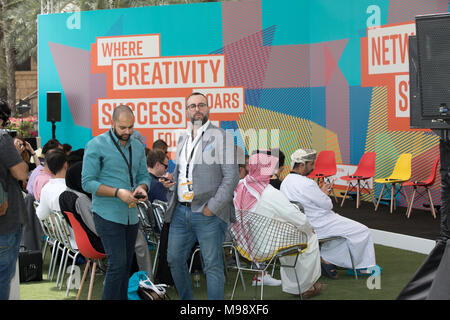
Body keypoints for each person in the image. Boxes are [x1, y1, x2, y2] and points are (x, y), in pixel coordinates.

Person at [165, 92, 239, 300]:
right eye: (192, 106)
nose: (196, 109)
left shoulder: (221, 136)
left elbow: (231, 177)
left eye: (201, 105)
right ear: (187, 111)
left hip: (208, 213)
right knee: (173, 259)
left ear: (208, 108)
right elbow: (184, 172)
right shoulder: (183, 137)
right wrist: (172, 181)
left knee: (212, 266)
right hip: (180, 211)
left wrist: (212, 207)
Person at [82, 104, 150, 300]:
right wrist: (117, 192)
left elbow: (144, 175)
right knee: (118, 264)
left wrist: (142, 188)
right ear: (112, 123)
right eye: (122, 127)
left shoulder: (137, 145)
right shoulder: (96, 145)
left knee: (125, 265)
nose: (127, 132)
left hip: (131, 215)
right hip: (107, 214)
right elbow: (87, 183)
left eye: (130, 127)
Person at [233, 152, 322, 298]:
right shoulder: (269, 193)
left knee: (289, 233)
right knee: (309, 236)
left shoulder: (240, 185)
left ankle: (296, 285)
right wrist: (307, 227)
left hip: (244, 243)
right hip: (265, 245)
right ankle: (305, 286)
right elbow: (298, 218)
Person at [280, 148, 377, 278]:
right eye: (311, 164)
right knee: (363, 231)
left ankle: (329, 259)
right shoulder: (307, 183)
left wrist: (319, 193)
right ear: (302, 165)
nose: (313, 167)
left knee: (345, 235)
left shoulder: (285, 182)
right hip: (320, 223)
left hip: (302, 223)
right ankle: (332, 260)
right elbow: (327, 205)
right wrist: (324, 193)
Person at [0, 100, 28, 300]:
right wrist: (17, 154)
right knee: (3, 276)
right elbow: (20, 172)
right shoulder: (2, 139)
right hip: (5, 221)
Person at [59, 161, 104, 253]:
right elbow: (98, 230)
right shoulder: (81, 199)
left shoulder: (65, 194)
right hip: (96, 244)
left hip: (81, 242)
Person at [35, 149, 69, 221]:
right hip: (74, 230)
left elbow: (41, 215)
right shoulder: (70, 188)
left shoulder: (45, 189)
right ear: (66, 164)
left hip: (59, 230)